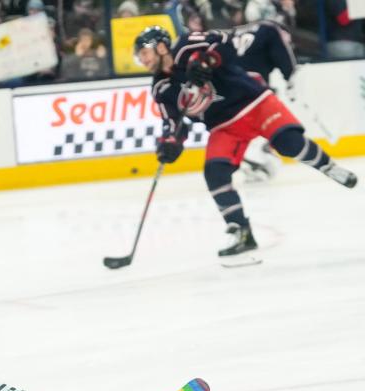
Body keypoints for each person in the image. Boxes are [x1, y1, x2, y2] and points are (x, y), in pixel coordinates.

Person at [135, 26, 357, 260]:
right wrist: (170, 143)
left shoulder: (189, 44)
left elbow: (227, 40)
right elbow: (172, 123)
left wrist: (208, 59)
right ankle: (241, 232)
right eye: (139, 56)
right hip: (224, 125)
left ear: (161, 47)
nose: (142, 60)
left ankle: (327, 166)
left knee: (289, 144)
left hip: (254, 101)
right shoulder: (161, 87)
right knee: (215, 173)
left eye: (144, 53)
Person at [230, 20, 297, 182]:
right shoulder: (271, 29)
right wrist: (291, 79)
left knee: (241, 121)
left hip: (226, 84)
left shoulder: (235, 31)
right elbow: (286, 62)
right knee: (267, 113)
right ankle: (254, 152)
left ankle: (249, 153)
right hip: (251, 86)